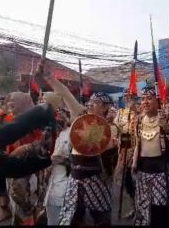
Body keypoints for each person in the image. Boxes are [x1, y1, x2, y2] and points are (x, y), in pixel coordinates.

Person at [37, 66, 115, 226]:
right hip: (75, 177)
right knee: (71, 218)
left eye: (96, 103)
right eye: (90, 101)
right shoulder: (80, 115)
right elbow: (64, 93)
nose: (91, 104)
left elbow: (107, 150)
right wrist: (49, 76)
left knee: (102, 218)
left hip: (96, 178)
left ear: (106, 108)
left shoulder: (111, 128)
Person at [0, 92, 56, 226]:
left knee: (32, 208)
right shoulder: (3, 122)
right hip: (16, 171)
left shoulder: (45, 125)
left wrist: (43, 153)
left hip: (30, 174)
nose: (10, 104)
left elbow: (5, 163)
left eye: (14, 100)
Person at [131, 86, 169, 227]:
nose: (145, 102)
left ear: (158, 101)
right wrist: (134, 163)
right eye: (143, 99)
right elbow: (138, 144)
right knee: (143, 209)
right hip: (143, 173)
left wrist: (168, 131)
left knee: (160, 211)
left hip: (162, 173)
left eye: (149, 98)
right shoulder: (139, 122)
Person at [114, 89, 139, 219]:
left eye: (129, 96)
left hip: (137, 151)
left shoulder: (140, 111)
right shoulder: (120, 112)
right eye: (125, 96)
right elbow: (117, 130)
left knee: (138, 182)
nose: (127, 98)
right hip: (123, 150)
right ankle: (134, 207)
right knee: (124, 182)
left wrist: (135, 110)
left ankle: (142, 208)